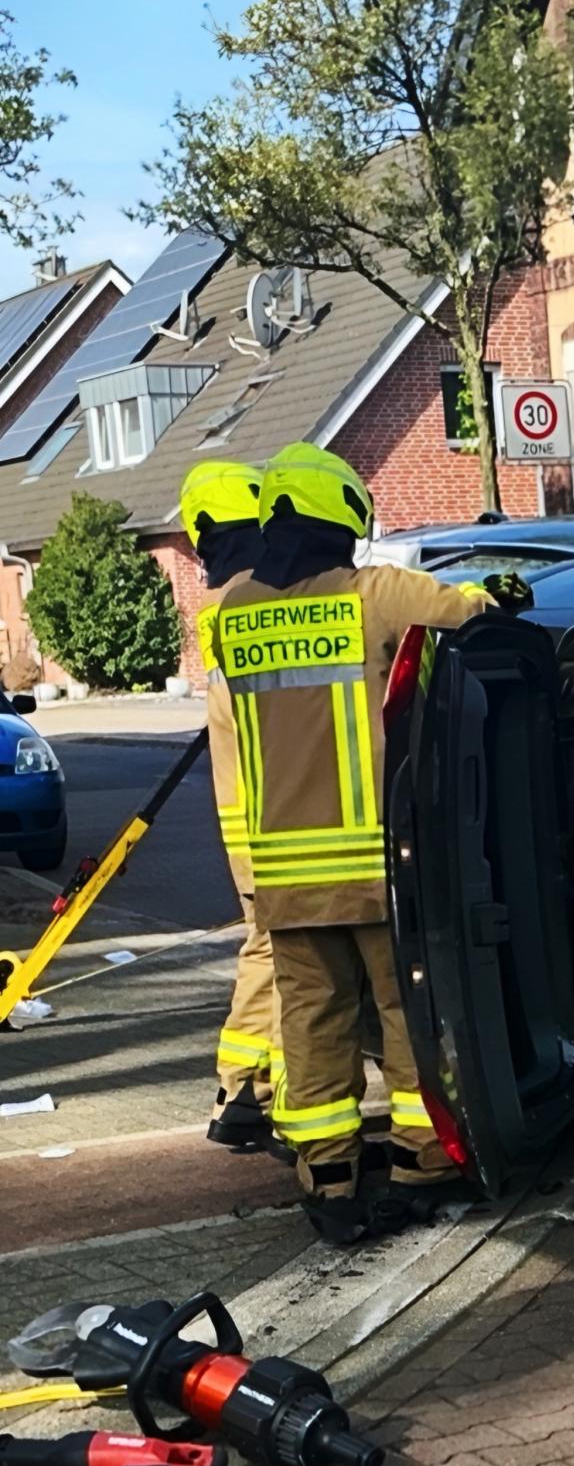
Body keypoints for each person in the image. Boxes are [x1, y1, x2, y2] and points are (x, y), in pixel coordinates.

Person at [218, 445, 497, 1244]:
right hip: (378, 871)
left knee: (311, 1027)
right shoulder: (371, 595)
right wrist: (495, 595)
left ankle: (328, 1175)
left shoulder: (234, 613)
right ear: (338, 519)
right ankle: (418, 1163)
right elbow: (467, 614)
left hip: (288, 881)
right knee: (405, 1014)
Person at [182, 461, 281, 1156]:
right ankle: (246, 1089)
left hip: (250, 822)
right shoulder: (250, 606)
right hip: (278, 824)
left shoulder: (224, 610)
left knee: (271, 949)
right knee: (282, 952)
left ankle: (250, 1085)